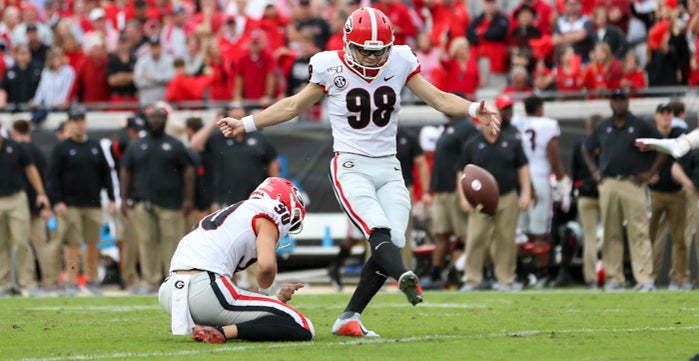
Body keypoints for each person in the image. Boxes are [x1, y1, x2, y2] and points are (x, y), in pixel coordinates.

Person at [217, 7, 500, 337]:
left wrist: (472, 109)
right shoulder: (329, 65)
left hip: (389, 164)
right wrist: (246, 123)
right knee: (377, 229)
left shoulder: (400, 60)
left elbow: (437, 98)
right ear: (349, 42)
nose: (371, 57)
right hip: (350, 164)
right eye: (365, 49)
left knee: (394, 238)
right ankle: (405, 275)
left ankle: (349, 317)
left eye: (378, 50)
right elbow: (293, 105)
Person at [158, 177, 314, 343]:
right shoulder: (271, 211)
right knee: (302, 325)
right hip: (207, 290)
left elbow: (235, 296)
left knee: (258, 316)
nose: (290, 226)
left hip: (170, 295)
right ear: (284, 204)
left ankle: (217, 330)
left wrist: (274, 300)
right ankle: (224, 333)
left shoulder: (233, 214)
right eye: (294, 221)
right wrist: (264, 292)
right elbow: (267, 266)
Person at [582, 89, 667, 292]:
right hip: (609, 183)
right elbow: (586, 148)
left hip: (633, 183)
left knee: (639, 230)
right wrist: (594, 172)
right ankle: (614, 278)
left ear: (627, 102)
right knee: (611, 231)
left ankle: (645, 278)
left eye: (622, 100)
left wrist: (649, 173)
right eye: (615, 100)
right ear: (611, 103)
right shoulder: (603, 126)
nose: (619, 103)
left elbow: (662, 146)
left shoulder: (639, 124)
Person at [120, 103, 194, 295]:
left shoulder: (175, 145)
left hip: (171, 203)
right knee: (146, 242)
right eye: (153, 117)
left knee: (171, 242)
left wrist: (187, 199)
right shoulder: (136, 145)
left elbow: (188, 171)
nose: (156, 120)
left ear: (165, 120)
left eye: (160, 117)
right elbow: (126, 171)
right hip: (143, 202)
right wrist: (123, 198)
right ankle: (150, 281)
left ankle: (172, 281)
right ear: (147, 120)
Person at [457, 105, 531, 292]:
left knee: (506, 238)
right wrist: (464, 198)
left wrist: (526, 193)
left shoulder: (511, 141)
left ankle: (505, 279)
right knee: (476, 237)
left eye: (494, 116)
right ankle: (472, 279)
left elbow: (522, 169)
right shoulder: (472, 144)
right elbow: (462, 173)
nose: (491, 120)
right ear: (481, 120)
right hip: (480, 200)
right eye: (487, 116)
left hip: (507, 196)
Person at [48, 107, 116, 295]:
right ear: (69, 124)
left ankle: (92, 280)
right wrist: (58, 201)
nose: (80, 124)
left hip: (93, 204)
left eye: (82, 120)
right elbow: (53, 178)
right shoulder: (62, 148)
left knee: (93, 245)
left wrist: (111, 198)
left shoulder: (95, 147)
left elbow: (106, 176)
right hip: (70, 205)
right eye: (76, 120)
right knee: (72, 246)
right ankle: (71, 281)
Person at [512, 95, 570, 285]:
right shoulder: (548, 124)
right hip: (539, 177)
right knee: (540, 232)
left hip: (521, 179)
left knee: (522, 232)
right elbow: (553, 156)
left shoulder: (518, 123)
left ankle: (524, 273)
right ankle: (540, 273)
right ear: (540, 108)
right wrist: (561, 180)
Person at [421, 108, 478, 290]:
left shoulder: (467, 127)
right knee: (441, 234)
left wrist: (465, 188)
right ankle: (435, 274)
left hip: (455, 189)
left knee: (465, 235)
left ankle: (467, 273)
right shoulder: (448, 127)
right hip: (441, 190)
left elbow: (469, 158)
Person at [0, 120, 51, 296]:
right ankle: (3, 285)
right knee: (1, 244)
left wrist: (41, 192)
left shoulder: (15, 147)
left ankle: (27, 283)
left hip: (16, 198)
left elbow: (31, 171)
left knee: (22, 241)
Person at [647, 103, 693, 289]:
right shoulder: (649, 135)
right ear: (656, 116)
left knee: (680, 238)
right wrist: (647, 174)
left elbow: (689, 160)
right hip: (655, 193)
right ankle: (648, 277)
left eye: (669, 114)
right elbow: (636, 159)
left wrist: (685, 180)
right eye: (662, 113)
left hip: (676, 194)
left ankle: (680, 277)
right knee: (650, 237)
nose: (666, 117)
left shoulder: (679, 136)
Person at [571, 114, 603, 289]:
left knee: (590, 238)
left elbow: (574, 172)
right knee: (612, 235)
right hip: (604, 191)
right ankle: (615, 276)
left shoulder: (579, 145)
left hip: (585, 192)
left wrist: (573, 192)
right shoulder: (607, 143)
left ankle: (591, 278)